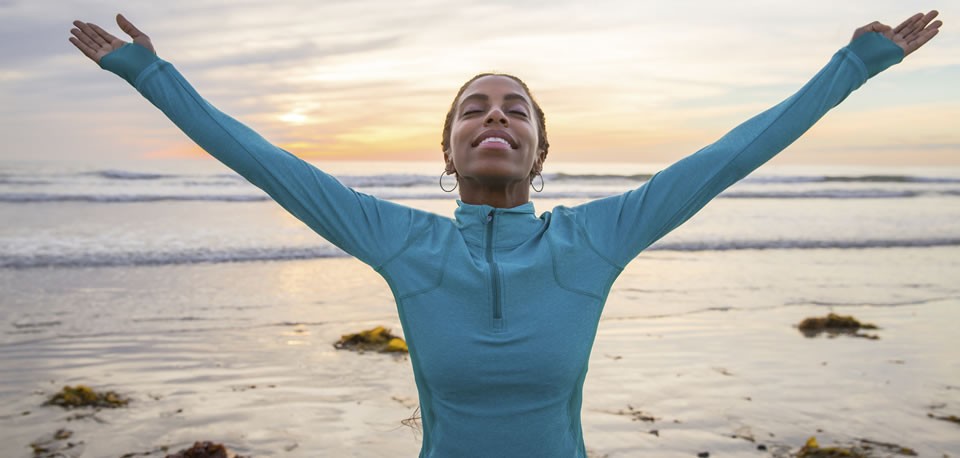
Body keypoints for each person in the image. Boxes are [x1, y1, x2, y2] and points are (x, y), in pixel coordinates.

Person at [69, 11, 942, 458]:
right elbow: (265, 161)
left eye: (515, 109)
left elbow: (730, 153)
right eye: (473, 110)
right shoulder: (399, 241)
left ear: (540, 147)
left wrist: (852, 67)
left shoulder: (597, 238)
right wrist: (150, 74)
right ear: (449, 152)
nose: (495, 117)